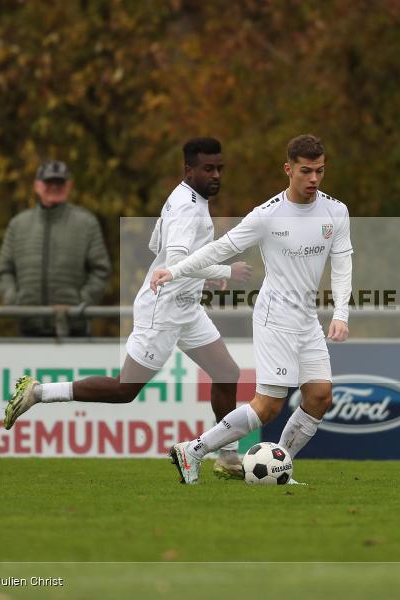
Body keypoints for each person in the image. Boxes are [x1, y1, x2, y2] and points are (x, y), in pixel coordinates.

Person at [4, 139, 253, 478]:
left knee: (226, 372)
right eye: (208, 168)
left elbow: (158, 248)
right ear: (189, 170)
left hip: (186, 306)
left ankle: (227, 459)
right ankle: (39, 392)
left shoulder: (186, 198)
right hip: (162, 310)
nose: (216, 175)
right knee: (125, 390)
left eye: (219, 168)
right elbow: (177, 259)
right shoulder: (186, 207)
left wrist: (196, 280)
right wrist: (225, 271)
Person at [151, 134, 353, 485]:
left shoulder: (335, 211)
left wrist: (340, 314)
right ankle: (193, 450)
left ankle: (279, 466)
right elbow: (219, 249)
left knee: (319, 396)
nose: (314, 180)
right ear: (288, 169)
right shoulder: (267, 214)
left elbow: (342, 264)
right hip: (275, 315)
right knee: (268, 405)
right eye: (306, 171)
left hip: (307, 317)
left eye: (320, 171)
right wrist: (175, 270)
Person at [0, 160, 111, 337]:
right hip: (29, 328)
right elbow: (4, 270)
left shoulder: (86, 223)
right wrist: (14, 301)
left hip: (74, 330)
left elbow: (101, 270)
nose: (54, 187)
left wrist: (81, 302)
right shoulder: (18, 225)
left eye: (60, 182)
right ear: (37, 186)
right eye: (49, 182)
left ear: (69, 186)